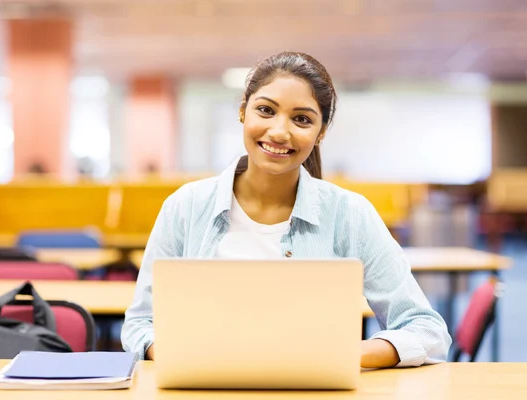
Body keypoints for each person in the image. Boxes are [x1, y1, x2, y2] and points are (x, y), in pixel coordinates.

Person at [122, 51, 451, 369]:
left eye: (302, 119)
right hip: (204, 389)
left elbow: (426, 329)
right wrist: (188, 355)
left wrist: (342, 356)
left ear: (320, 132)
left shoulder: (350, 214)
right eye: (266, 110)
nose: (279, 131)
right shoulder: (185, 206)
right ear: (243, 112)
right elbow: (141, 324)